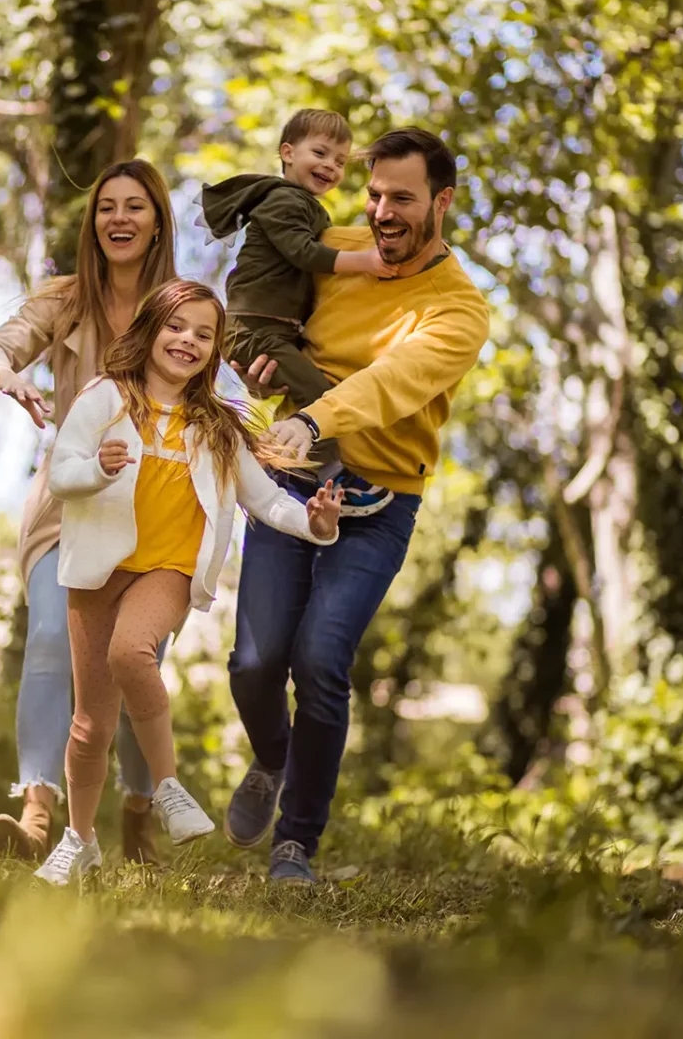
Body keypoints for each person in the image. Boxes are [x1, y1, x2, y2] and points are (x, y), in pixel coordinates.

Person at [222, 127, 491, 885]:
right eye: (374, 195)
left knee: (320, 659)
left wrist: (313, 418)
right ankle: (273, 761)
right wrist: (256, 357)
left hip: (379, 500)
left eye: (401, 198)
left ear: (442, 201)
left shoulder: (459, 309)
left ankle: (295, 844)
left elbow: (392, 382)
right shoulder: (335, 247)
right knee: (253, 662)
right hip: (291, 478)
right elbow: (259, 301)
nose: (381, 213)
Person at [33, 279, 341, 886]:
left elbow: (265, 498)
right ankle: (80, 839)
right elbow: (62, 473)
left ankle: (168, 786)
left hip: (167, 571)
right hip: (98, 568)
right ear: (151, 329)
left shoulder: (219, 427)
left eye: (205, 335)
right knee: (90, 724)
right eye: (177, 327)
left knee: (131, 652)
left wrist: (312, 523)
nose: (188, 341)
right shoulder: (105, 399)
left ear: (214, 351)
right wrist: (97, 469)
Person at [0, 159, 179, 866]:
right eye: (106, 208)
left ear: (156, 224)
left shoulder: (181, 309)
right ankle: (36, 817)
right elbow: (1, 343)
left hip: (156, 510)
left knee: (133, 660)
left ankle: (138, 810)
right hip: (70, 502)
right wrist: (3, 372)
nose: (118, 219)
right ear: (94, 225)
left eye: (134, 207)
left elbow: (227, 384)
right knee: (53, 641)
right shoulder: (63, 300)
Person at [197, 108, 395, 514]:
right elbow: (302, 253)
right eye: (320, 153)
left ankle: (294, 469)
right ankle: (334, 478)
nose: (330, 166)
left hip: (270, 329)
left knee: (313, 390)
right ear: (287, 152)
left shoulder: (301, 203)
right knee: (319, 396)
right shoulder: (284, 199)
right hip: (255, 330)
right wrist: (366, 261)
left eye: (340, 161)